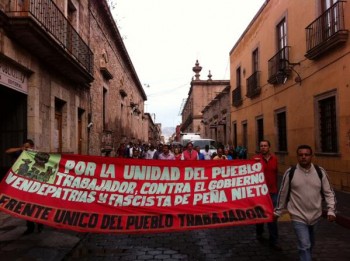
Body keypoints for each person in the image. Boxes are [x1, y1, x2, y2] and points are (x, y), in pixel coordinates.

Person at [274, 144, 336, 261]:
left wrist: (331, 210)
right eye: (301, 155)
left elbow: (329, 192)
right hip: (298, 216)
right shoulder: (290, 172)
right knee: (304, 245)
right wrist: (278, 211)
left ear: (311, 156)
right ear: (297, 157)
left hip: (315, 215)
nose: (303, 157)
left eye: (306, 155)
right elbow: (283, 193)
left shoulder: (320, 172)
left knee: (310, 244)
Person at [5, 139, 44, 235]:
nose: (26, 148)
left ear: (32, 147)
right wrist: (21, 148)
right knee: (26, 206)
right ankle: (30, 227)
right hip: (24, 185)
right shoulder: (21, 153)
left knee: (36, 206)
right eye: (24, 146)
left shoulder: (37, 155)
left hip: (35, 184)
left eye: (28, 147)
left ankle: (40, 224)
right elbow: (7, 151)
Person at [253, 140, 281, 250]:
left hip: (272, 192)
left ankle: (274, 240)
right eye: (261, 146)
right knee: (260, 216)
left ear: (269, 147)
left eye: (265, 146)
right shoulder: (255, 159)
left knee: (272, 217)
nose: (263, 147)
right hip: (259, 192)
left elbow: (276, 175)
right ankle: (259, 230)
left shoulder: (275, 159)